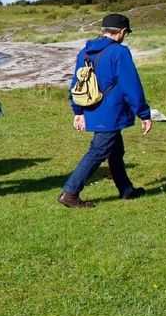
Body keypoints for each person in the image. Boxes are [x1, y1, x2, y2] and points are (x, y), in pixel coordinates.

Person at [59, 13, 152, 207]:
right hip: (111, 112)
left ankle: (126, 190)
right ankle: (70, 193)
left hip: (92, 108)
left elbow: (76, 84)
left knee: (116, 151)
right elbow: (131, 85)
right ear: (123, 32)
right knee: (98, 151)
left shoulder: (84, 52)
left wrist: (78, 111)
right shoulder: (120, 52)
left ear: (104, 30)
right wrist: (143, 113)